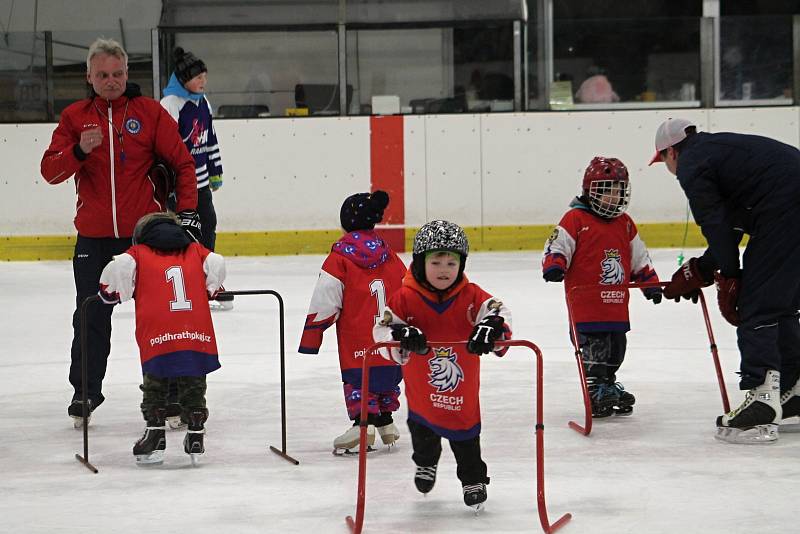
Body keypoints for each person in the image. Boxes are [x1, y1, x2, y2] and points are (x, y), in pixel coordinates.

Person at [40, 38, 200, 427]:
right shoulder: (75, 117)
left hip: (144, 238)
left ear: (127, 74)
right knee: (90, 316)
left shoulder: (148, 113)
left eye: (116, 74)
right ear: (89, 77)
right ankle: (85, 393)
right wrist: (78, 151)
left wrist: (190, 213)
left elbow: (183, 163)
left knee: (161, 319)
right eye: (102, 75)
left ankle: (174, 395)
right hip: (93, 238)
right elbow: (50, 172)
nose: (110, 81)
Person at [651, 117, 800, 444]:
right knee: (784, 302)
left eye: (662, 159)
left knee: (758, 304)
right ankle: (793, 394)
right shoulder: (718, 152)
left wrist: (731, 280)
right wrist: (702, 271)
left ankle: (762, 401)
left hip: (785, 208)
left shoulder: (692, 165)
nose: (666, 166)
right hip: (788, 203)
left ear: (671, 151)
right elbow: (729, 229)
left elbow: (717, 229)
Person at [373, 220, 512, 511]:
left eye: (452, 262)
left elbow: (499, 310)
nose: (444, 269)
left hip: (462, 394)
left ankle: (473, 479)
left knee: (467, 439)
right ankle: (425, 464)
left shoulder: (472, 295)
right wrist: (399, 335)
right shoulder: (405, 298)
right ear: (420, 262)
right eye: (436, 261)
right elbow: (381, 331)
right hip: (422, 391)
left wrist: (493, 325)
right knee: (423, 436)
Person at [98, 212, 226, 465]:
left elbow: (112, 287)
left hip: (158, 330)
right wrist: (212, 288)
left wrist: (111, 293)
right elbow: (217, 264)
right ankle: (196, 434)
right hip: (194, 328)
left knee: (155, 381)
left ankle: (155, 435)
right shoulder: (196, 250)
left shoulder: (137, 254)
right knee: (194, 379)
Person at [542, 157, 662, 417]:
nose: (613, 197)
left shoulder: (625, 223)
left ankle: (607, 383)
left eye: (618, 191)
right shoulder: (575, 218)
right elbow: (558, 245)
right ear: (591, 190)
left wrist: (649, 283)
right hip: (587, 307)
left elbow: (639, 257)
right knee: (595, 351)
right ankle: (595, 386)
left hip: (616, 306)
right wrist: (554, 264)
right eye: (607, 190)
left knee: (617, 349)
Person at [299, 191, 406, 453]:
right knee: (385, 377)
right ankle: (386, 422)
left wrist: (311, 337)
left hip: (358, 340)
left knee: (361, 381)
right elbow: (407, 290)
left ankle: (364, 425)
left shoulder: (339, 259)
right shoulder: (390, 254)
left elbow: (325, 301)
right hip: (390, 340)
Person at [160, 47, 233, 312]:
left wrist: (216, 169)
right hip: (180, 185)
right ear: (182, 80)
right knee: (183, 232)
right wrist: (170, 185)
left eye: (204, 75)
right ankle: (182, 281)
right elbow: (165, 148)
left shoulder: (203, 101)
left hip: (201, 183)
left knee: (208, 225)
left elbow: (209, 138)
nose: (203, 81)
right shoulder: (170, 105)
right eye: (197, 77)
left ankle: (208, 280)